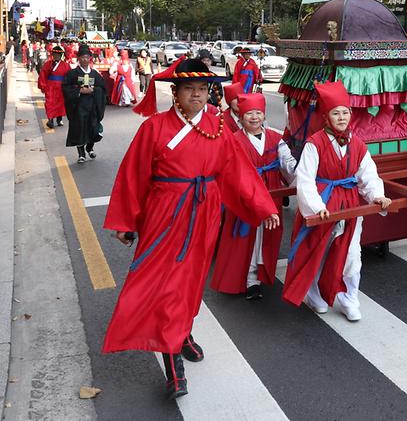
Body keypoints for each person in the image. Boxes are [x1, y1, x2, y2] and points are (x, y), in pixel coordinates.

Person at [102, 57, 280, 400]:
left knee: (193, 278)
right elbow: (133, 176)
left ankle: (182, 333)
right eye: (189, 89)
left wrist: (263, 205)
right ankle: (173, 365)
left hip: (206, 212)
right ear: (175, 92)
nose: (197, 96)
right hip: (166, 213)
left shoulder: (216, 127)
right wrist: (126, 222)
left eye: (202, 89)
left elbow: (238, 171)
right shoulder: (154, 128)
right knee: (167, 284)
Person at [281, 81, 391, 322]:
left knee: (351, 253)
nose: (341, 117)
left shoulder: (358, 143)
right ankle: (313, 293)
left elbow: (368, 174)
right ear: (325, 116)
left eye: (345, 112)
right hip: (323, 202)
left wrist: (377, 195)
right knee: (317, 251)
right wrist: (317, 207)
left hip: (350, 204)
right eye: (335, 113)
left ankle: (348, 296)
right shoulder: (314, 143)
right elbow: (305, 179)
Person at [210, 93, 296, 300]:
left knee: (267, 236)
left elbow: (289, 164)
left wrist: (305, 179)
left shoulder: (276, 138)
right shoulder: (233, 140)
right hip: (245, 196)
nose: (254, 117)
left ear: (264, 115)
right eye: (249, 113)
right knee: (246, 237)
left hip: (272, 193)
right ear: (240, 117)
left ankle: (261, 274)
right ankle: (248, 279)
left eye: (258, 113)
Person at [62, 44, 107, 163]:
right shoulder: (72, 74)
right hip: (78, 107)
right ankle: (81, 154)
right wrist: (79, 90)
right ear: (78, 58)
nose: (85, 59)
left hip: (92, 106)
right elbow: (65, 87)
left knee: (93, 128)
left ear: (90, 58)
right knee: (79, 129)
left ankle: (90, 148)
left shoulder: (94, 74)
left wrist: (94, 90)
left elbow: (102, 88)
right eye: (82, 57)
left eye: (87, 57)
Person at [38, 45, 71, 128]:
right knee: (50, 103)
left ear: (61, 56)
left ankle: (59, 119)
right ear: (52, 55)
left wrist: (68, 87)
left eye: (58, 55)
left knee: (60, 104)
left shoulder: (66, 65)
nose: (56, 56)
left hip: (61, 87)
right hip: (50, 87)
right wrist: (43, 86)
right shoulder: (47, 64)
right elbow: (43, 75)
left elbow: (69, 77)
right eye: (55, 54)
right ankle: (50, 120)